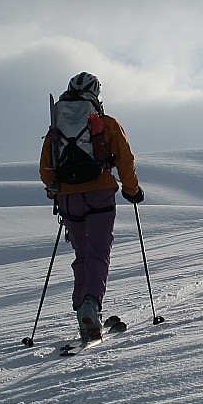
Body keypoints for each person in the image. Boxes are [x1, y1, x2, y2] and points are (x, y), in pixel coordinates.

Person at [39, 72, 144, 342]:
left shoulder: (57, 126)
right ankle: (91, 306)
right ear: (96, 95)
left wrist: (58, 195)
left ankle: (84, 312)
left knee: (82, 254)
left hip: (69, 199)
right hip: (99, 193)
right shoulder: (106, 124)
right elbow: (125, 159)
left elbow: (46, 169)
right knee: (98, 252)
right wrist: (132, 191)